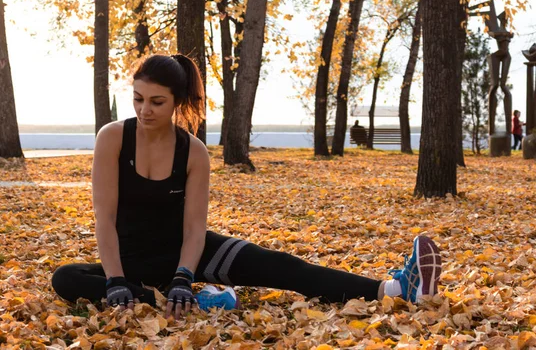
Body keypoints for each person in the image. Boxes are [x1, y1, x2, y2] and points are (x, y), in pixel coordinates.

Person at [51, 54, 443, 319]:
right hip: (132, 262)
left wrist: (184, 275)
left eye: (156, 101)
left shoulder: (195, 153)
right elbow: (104, 219)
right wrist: (117, 281)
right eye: (138, 99)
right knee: (66, 278)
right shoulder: (113, 138)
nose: (144, 110)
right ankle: (172, 298)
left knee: (282, 266)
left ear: (177, 102)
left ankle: (395, 289)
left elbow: (193, 229)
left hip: (190, 253)